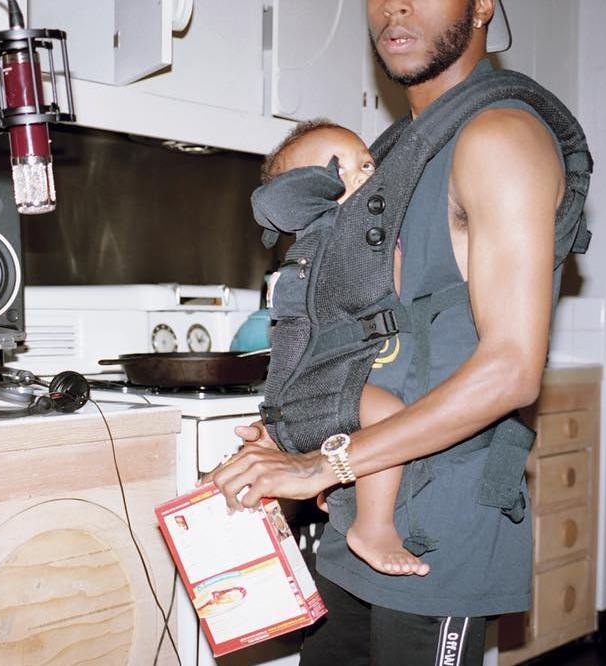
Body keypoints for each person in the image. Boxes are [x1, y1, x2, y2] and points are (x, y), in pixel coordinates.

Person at [210, 0, 578, 663]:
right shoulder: (384, 161)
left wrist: (320, 464)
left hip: (434, 537)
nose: (395, 6)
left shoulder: (500, 138)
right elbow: (363, 337)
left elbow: (511, 370)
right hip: (355, 516)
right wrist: (298, 426)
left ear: (483, 4)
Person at [257, 120, 429, 577]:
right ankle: (373, 527)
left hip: (311, 393)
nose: (362, 178)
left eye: (366, 165)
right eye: (338, 172)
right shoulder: (334, 243)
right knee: (389, 417)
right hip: (312, 394)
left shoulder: (325, 245)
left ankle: (337, 489)